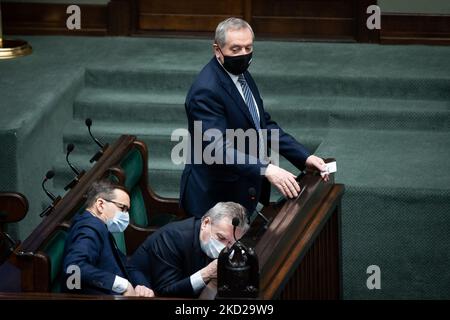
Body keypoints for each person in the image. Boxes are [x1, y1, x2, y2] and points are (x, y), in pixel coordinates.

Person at [180, 17, 330, 218]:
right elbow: (217, 149)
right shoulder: (206, 91)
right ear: (217, 50)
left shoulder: (241, 75)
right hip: (215, 199)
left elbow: (262, 125)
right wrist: (266, 169)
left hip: (241, 189)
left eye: (248, 48)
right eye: (235, 49)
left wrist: (304, 157)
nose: (243, 55)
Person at [128, 202, 249, 297]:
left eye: (231, 243)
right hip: (146, 288)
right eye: (221, 238)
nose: (224, 247)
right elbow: (165, 291)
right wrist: (206, 273)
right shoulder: (173, 237)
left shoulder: (226, 243)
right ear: (206, 223)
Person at [61, 180, 154, 297]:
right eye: (122, 208)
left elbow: (125, 264)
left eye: (127, 210)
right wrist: (122, 284)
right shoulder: (89, 227)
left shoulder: (100, 226)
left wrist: (142, 286)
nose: (126, 215)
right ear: (100, 205)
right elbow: (74, 267)